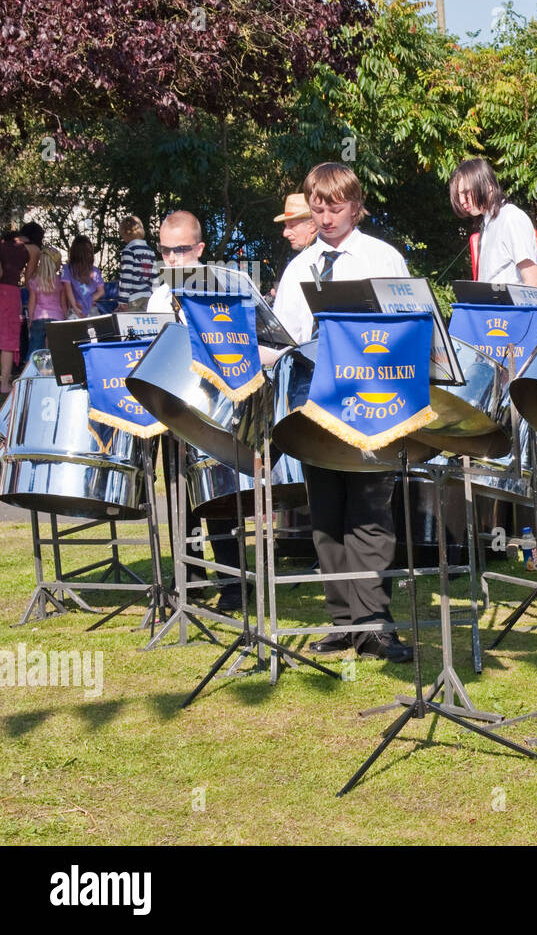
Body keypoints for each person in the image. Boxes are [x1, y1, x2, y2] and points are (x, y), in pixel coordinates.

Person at [273, 162, 413, 663]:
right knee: (327, 514)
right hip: (315, 401)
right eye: (318, 206)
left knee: (370, 511)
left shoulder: (383, 257)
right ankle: (341, 622)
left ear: (355, 206)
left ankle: (375, 624)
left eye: (336, 206)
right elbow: (287, 337)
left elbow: (407, 326)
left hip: (371, 399)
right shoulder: (298, 268)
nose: (326, 215)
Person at [143, 210, 246, 613]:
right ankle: (190, 580)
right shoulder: (157, 295)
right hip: (171, 409)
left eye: (182, 249)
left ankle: (235, 585)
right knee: (179, 500)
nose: (173, 258)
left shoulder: (219, 287)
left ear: (199, 248)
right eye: (166, 250)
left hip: (212, 407)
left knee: (217, 501)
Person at [448, 158, 537, 287]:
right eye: (458, 195)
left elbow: (534, 281)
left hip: (511, 306)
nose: (462, 200)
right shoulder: (489, 223)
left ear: (489, 187)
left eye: (466, 193)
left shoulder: (510, 218)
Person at [25, 247, 72, 354]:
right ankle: (54, 369)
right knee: (55, 350)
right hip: (57, 319)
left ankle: (30, 368)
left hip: (38, 318)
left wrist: (30, 320)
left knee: (35, 350)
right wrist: (66, 318)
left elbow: (32, 303)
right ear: (56, 264)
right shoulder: (60, 281)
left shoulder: (35, 280)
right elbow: (63, 304)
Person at [0, 230, 30, 391]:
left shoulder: (3, 246)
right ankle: (4, 383)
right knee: (7, 341)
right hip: (10, 292)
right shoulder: (23, 251)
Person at [117, 216, 156, 310]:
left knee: (127, 323)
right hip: (148, 296)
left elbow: (127, 276)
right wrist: (156, 296)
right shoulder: (150, 251)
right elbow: (154, 277)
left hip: (133, 298)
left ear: (125, 233)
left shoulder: (129, 250)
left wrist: (122, 299)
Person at [60, 235, 105, 318]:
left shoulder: (66, 269)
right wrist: (87, 301)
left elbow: (68, 291)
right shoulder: (95, 271)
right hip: (91, 309)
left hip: (75, 310)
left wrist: (75, 306)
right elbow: (101, 291)